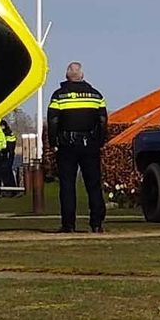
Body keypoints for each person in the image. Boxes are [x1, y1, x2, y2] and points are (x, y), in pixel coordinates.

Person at [47, 61, 109, 233]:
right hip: (90, 144)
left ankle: (69, 224)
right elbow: (103, 121)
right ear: (82, 75)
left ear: (67, 76)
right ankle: (96, 223)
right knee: (94, 184)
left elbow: (53, 121)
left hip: (67, 144)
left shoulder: (59, 96)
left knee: (67, 185)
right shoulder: (96, 95)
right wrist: (100, 141)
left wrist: (53, 143)